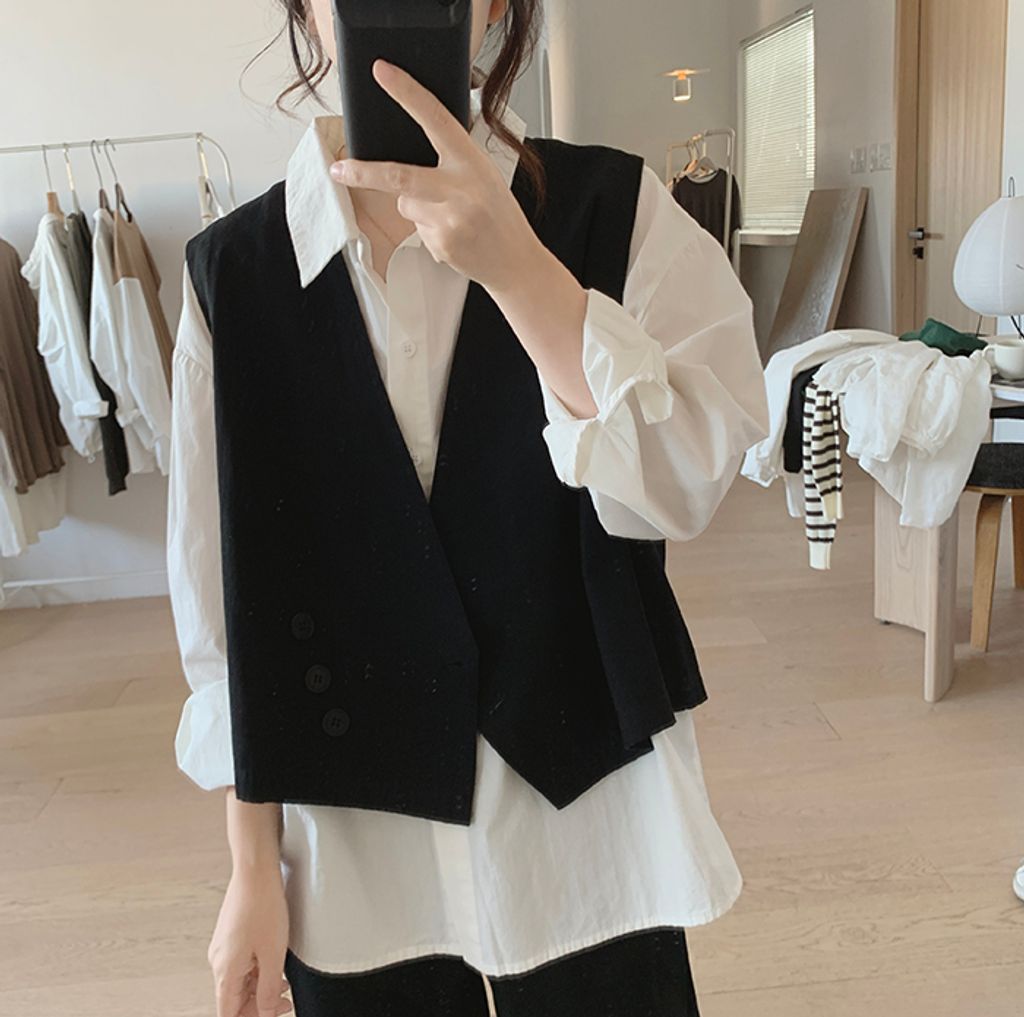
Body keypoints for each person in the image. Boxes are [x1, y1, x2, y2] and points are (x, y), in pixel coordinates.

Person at [166, 1, 770, 1015]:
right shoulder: (231, 276)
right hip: (353, 845)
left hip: (590, 822)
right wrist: (250, 868)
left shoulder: (619, 209)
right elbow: (227, 615)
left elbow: (686, 482)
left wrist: (523, 271)